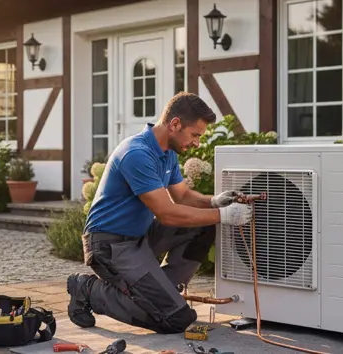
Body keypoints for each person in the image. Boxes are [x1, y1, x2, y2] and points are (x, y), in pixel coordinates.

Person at [66, 92, 254, 334]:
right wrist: (224, 215)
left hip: (140, 238)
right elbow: (167, 214)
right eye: (195, 135)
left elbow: (183, 196)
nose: (197, 143)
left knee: (203, 225)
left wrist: (214, 202)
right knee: (177, 320)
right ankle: (88, 289)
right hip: (110, 246)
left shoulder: (167, 154)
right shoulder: (136, 153)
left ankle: (165, 290)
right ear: (175, 124)